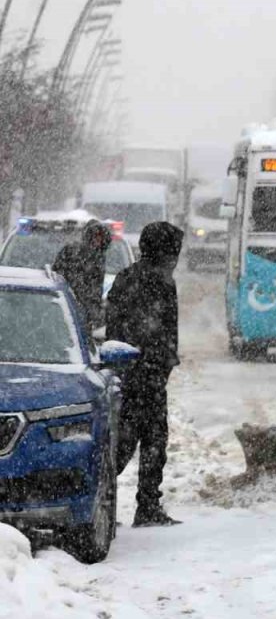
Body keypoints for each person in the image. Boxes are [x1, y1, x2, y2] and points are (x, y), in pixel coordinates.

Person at [106, 221, 184, 527]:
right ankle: (146, 504)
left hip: (127, 372)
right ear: (166, 252)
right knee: (151, 439)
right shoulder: (160, 282)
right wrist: (163, 362)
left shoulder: (125, 278)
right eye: (174, 252)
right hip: (146, 374)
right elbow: (164, 331)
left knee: (126, 440)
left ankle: (105, 497)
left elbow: (114, 325)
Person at [52, 221, 113, 330]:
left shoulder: (99, 258)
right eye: (95, 237)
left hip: (79, 311)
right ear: (88, 237)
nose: (97, 241)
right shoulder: (72, 252)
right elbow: (58, 275)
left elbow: (95, 290)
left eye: (100, 238)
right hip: (67, 306)